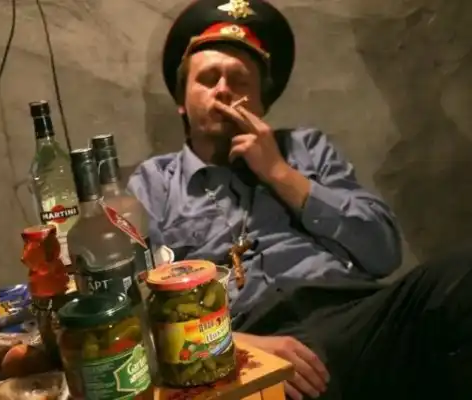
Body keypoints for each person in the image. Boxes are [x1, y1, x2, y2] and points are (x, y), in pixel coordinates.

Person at [128, 0, 472, 399]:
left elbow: (384, 252)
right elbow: (141, 312)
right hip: (250, 342)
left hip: (358, 316)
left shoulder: (306, 149)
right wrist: (240, 345)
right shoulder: (153, 184)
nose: (223, 90)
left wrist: (279, 172)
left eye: (239, 80)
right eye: (208, 79)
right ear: (182, 102)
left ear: (261, 102)